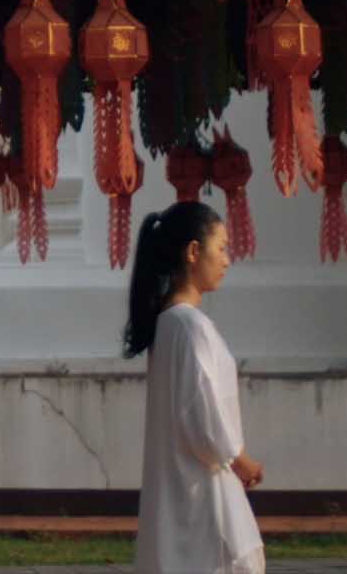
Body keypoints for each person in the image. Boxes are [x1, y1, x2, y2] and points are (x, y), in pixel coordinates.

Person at [124, 201, 265, 574]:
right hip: (202, 496)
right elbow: (201, 416)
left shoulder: (168, 327)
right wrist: (240, 460)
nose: (227, 259)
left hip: (182, 496)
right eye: (221, 247)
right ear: (192, 252)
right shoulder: (189, 328)